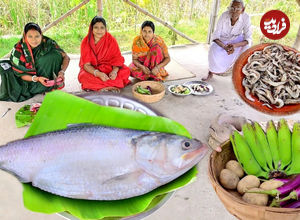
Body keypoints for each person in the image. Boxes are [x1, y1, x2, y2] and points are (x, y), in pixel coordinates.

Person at [0, 22, 70, 102]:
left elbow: (66, 57)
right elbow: (21, 75)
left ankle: (52, 82)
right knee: (43, 60)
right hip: (29, 81)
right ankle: (44, 86)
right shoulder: (18, 50)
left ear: (41, 35)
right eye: (30, 36)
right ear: (25, 36)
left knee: (55, 55)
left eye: (37, 36)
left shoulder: (48, 42)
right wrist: (37, 79)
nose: (34, 40)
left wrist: (61, 72)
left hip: (46, 78)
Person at [203, 0, 252, 81]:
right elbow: (215, 36)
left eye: (238, 9)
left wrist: (234, 46)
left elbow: (248, 38)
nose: (234, 11)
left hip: (236, 40)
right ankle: (211, 72)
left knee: (247, 47)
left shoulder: (246, 18)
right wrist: (224, 46)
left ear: (243, 10)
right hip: (222, 40)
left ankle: (238, 72)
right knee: (213, 49)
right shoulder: (224, 15)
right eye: (232, 8)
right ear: (229, 8)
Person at [78, 16, 130, 92]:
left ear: (105, 29)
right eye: (96, 27)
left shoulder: (111, 39)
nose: (99, 30)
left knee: (126, 71)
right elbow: (86, 65)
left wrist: (114, 72)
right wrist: (98, 73)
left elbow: (117, 59)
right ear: (91, 29)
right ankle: (110, 85)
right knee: (83, 76)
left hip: (109, 68)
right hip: (93, 70)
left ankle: (99, 86)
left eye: (102, 28)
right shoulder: (85, 42)